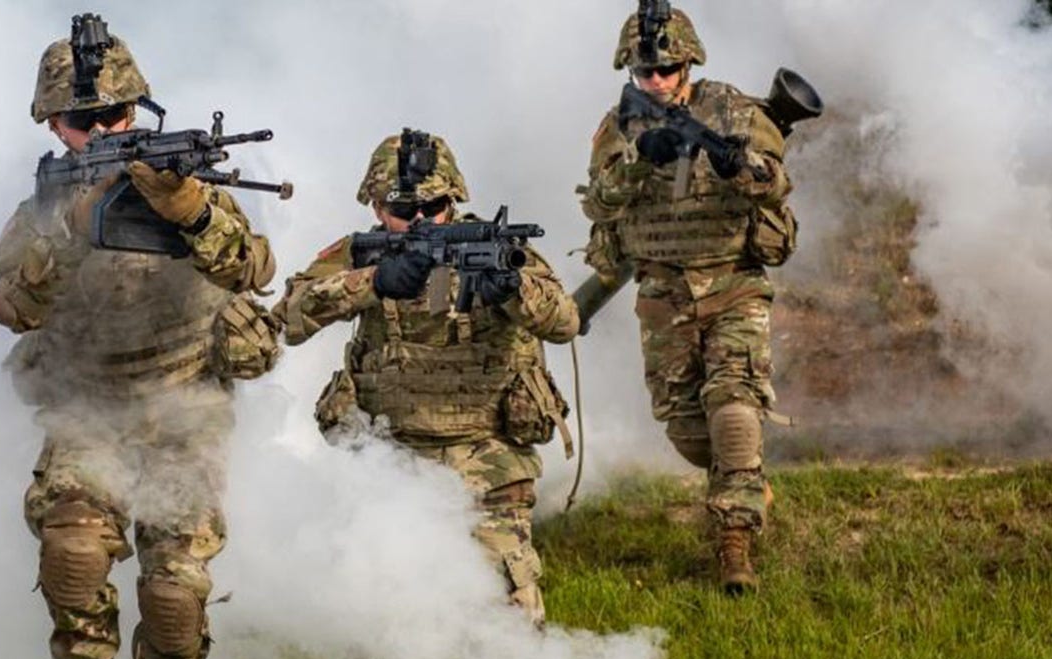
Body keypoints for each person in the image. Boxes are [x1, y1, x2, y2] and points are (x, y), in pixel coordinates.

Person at [0, 16, 278, 659]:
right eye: (79, 120)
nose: (99, 132)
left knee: (174, 601)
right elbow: (11, 308)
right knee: (73, 558)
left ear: (135, 111)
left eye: (115, 115)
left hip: (184, 413)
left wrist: (193, 215)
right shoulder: (41, 210)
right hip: (88, 415)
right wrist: (64, 235)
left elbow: (255, 269)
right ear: (53, 126)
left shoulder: (183, 187)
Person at [273, 130, 579, 626]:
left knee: (510, 625)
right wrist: (371, 282)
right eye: (402, 208)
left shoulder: (492, 245)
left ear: (453, 201)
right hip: (388, 459)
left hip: (490, 457)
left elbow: (565, 321)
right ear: (376, 207)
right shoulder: (359, 253)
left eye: (433, 206)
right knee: (383, 621)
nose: (420, 220)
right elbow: (288, 317)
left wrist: (513, 288)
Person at [578, 7, 798, 593]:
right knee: (686, 430)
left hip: (732, 282)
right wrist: (641, 161)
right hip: (662, 290)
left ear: (689, 62)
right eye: (646, 71)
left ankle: (734, 544)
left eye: (668, 69)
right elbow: (598, 204)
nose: (657, 81)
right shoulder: (617, 128)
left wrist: (736, 165)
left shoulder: (733, 109)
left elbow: (776, 181)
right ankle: (745, 476)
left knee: (733, 406)